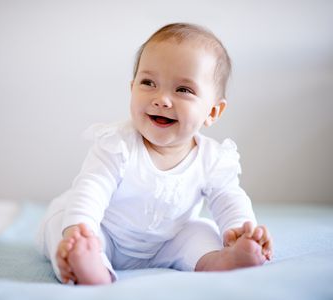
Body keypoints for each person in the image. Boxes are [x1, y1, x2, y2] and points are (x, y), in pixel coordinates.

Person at [36, 23, 273, 285]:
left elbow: (229, 198)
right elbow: (92, 187)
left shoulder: (213, 159)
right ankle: (88, 264)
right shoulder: (118, 145)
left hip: (167, 242)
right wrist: (79, 229)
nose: (161, 99)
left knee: (202, 230)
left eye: (183, 90)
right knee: (63, 225)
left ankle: (220, 261)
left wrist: (240, 230)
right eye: (148, 83)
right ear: (132, 88)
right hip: (106, 233)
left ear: (213, 112)